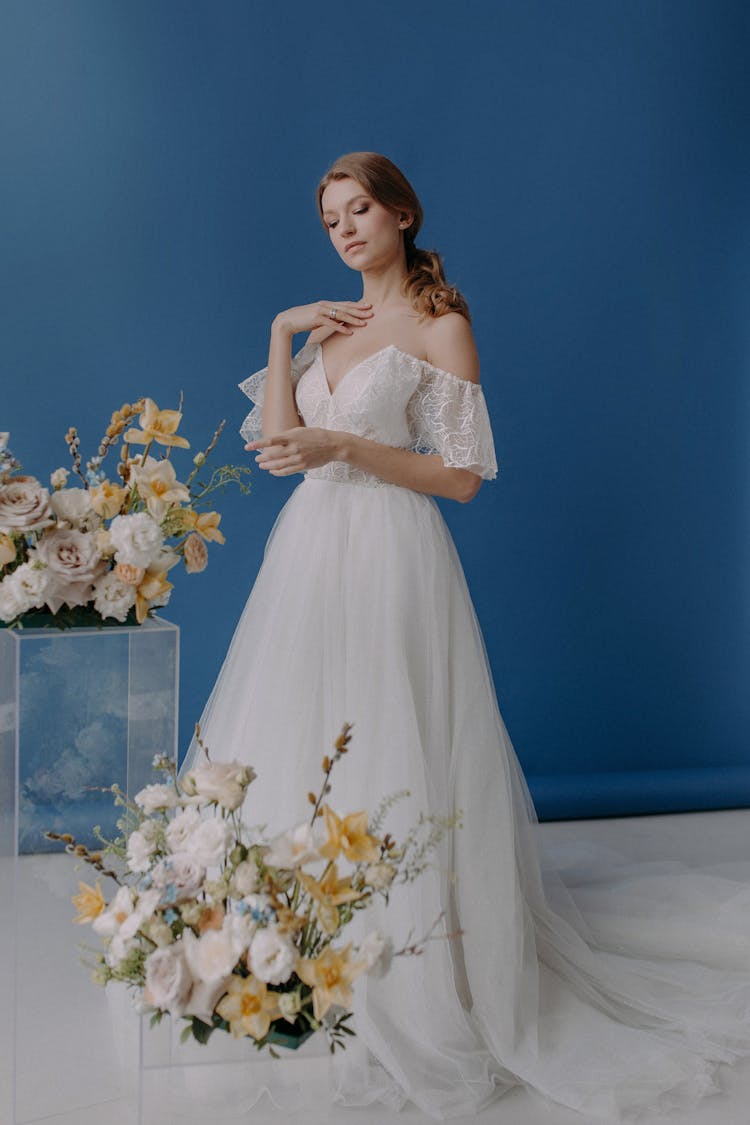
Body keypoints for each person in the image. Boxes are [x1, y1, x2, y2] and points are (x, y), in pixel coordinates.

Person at [181, 152, 750, 1120]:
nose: (346, 229)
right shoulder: (331, 329)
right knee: (297, 733)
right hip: (309, 546)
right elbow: (280, 452)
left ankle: (411, 970)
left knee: (390, 737)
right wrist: (282, 334)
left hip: (391, 547)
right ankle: (292, 959)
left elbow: (463, 477)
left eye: (360, 209)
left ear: (401, 213)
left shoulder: (441, 323)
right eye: (330, 220)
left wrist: (347, 445)